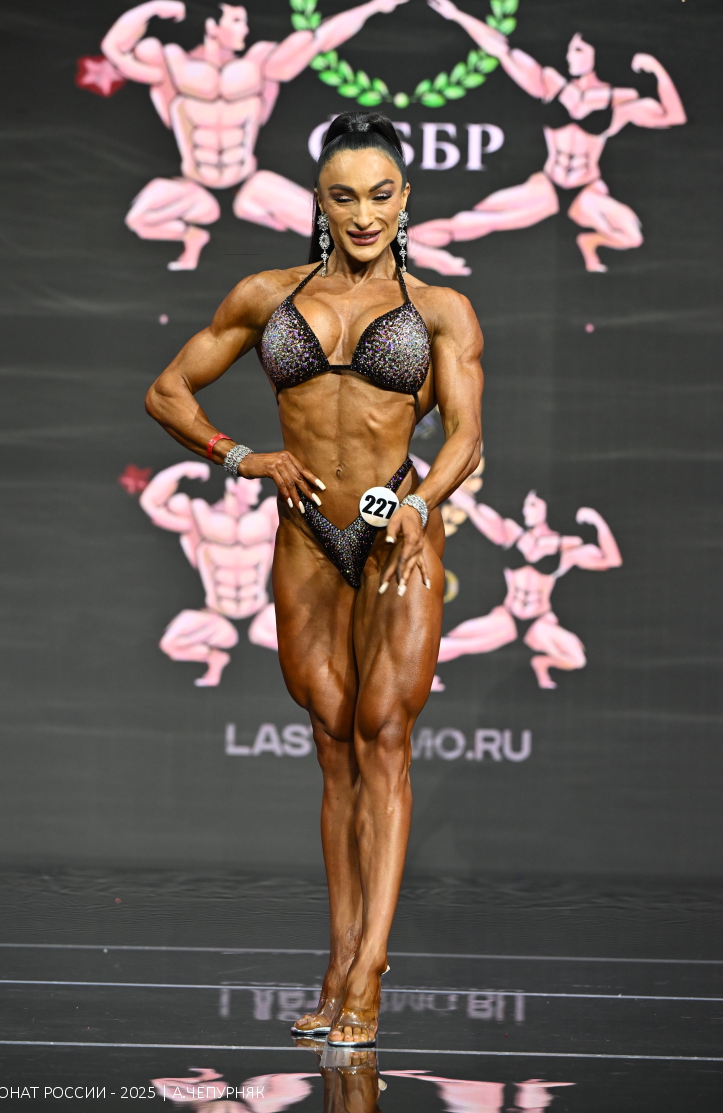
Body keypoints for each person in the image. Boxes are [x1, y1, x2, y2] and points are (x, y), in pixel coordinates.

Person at [145, 111, 483, 1045]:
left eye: (381, 195)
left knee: (384, 739)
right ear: (320, 203)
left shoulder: (441, 310)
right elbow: (167, 391)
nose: (364, 214)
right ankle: (337, 967)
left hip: (398, 538)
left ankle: (370, 973)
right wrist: (240, 456)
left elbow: (465, 436)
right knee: (334, 746)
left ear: (406, 199)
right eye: (345, 196)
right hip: (305, 539)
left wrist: (420, 503)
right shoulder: (266, 296)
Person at [101, 0, 416, 269]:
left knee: (336, 223)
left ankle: (426, 257)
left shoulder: (259, 63)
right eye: (237, 21)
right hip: (194, 186)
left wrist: (372, 7)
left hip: (247, 184)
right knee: (139, 218)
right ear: (212, 26)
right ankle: (191, 236)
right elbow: (114, 48)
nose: (245, 28)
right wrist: (152, 7)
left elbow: (320, 38)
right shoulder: (173, 64)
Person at [407, 0, 686, 274]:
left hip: (586, 190)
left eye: (578, 50)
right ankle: (406, 247)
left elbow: (673, 116)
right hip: (549, 185)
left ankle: (589, 242)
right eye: (570, 50)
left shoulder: (619, 99)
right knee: (472, 221)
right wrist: (457, 15)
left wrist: (657, 69)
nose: (569, 57)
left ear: (596, 53)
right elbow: (501, 49)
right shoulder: (551, 83)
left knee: (631, 236)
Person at [437, 488, 622, 689]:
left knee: (577, 659)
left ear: (548, 508)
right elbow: (472, 506)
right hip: (508, 616)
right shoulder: (511, 533)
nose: (526, 510)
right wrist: (430, 476)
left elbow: (612, 560)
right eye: (526, 505)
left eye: (533, 505)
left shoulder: (566, 547)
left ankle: (542, 663)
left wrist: (597, 521)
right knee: (458, 642)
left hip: (538, 621)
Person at [139, 461, 278, 687]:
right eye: (252, 482)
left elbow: (313, 509)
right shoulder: (198, 518)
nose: (258, 488)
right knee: (171, 643)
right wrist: (181, 469)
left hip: (260, 613)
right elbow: (151, 503)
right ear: (232, 485)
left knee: (315, 643)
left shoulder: (270, 514)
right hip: (216, 615)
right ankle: (214, 658)